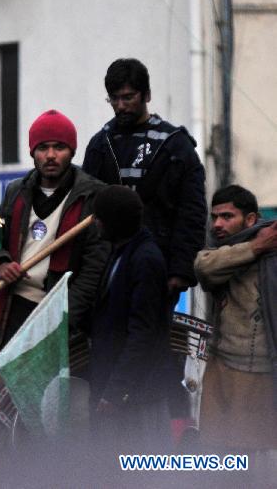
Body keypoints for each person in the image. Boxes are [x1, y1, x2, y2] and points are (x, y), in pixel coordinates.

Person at [0, 110, 108, 349]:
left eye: (59, 147)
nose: (51, 156)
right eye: (43, 148)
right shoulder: (16, 191)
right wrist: (1, 264)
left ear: (72, 151)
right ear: (32, 152)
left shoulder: (93, 197)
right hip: (7, 307)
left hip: (57, 312)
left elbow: (93, 271)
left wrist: (61, 320)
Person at [83, 58, 207, 303]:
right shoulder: (101, 145)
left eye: (128, 97)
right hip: (109, 264)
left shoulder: (175, 144)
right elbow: (87, 209)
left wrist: (180, 271)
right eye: (114, 99)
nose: (120, 106)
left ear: (146, 95)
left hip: (157, 263)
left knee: (148, 336)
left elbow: (191, 212)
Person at [88, 185, 172, 453]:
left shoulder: (144, 259)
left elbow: (142, 334)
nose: (95, 222)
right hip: (117, 388)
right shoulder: (121, 252)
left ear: (114, 220)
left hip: (136, 396)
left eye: (100, 217)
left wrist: (116, 391)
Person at [195, 185, 277, 453]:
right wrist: (256, 246)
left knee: (253, 451)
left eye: (227, 217)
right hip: (220, 363)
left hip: (257, 370)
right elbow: (204, 268)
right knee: (218, 449)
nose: (218, 224)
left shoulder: (271, 256)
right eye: (215, 216)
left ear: (250, 219)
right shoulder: (228, 252)